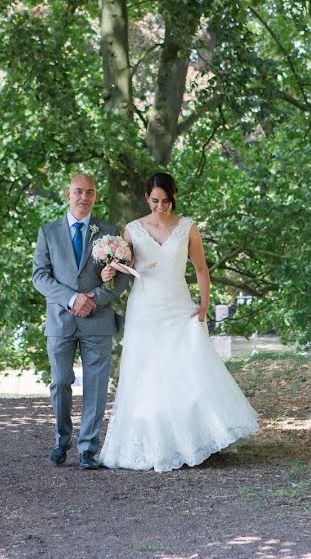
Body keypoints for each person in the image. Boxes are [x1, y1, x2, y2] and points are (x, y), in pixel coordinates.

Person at [97, 173, 258, 471]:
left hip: (179, 306)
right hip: (145, 308)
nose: (160, 207)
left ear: (174, 197)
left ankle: (196, 438)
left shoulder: (187, 228)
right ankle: (156, 443)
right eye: (155, 201)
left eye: (166, 201)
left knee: (187, 368)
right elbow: (125, 269)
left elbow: (200, 267)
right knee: (147, 373)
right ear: (147, 198)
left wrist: (204, 304)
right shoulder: (132, 230)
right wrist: (109, 270)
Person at [32, 174, 131, 469]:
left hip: (98, 320)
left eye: (89, 192)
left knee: (97, 384)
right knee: (61, 381)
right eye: (78, 191)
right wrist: (72, 299)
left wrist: (95, 298)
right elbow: (40, 276)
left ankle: (88, 448)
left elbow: (122, 278)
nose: (83, 197)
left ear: (95, 197)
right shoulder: (48, 232)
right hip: (61, 320)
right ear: (68, 193)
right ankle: (62, 439)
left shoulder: (110, 234)